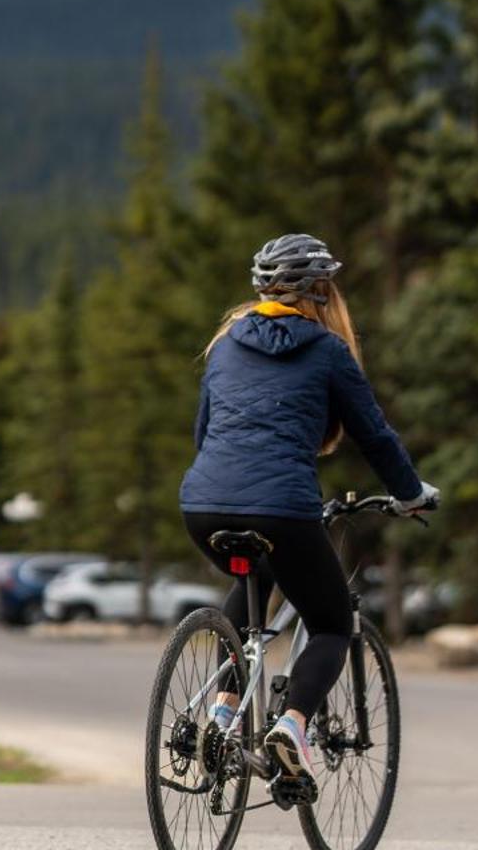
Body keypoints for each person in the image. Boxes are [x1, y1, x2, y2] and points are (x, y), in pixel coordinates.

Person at [181, 233, 437, 785]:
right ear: (322, 292)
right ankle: (292, 726)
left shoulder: (225, 343)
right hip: (281, 506)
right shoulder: (327, 351)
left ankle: (223, 714)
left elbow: (204, 431)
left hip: (202, 504)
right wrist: (411, 492)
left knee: (256, 580)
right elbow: (375, 436)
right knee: (331, 621)